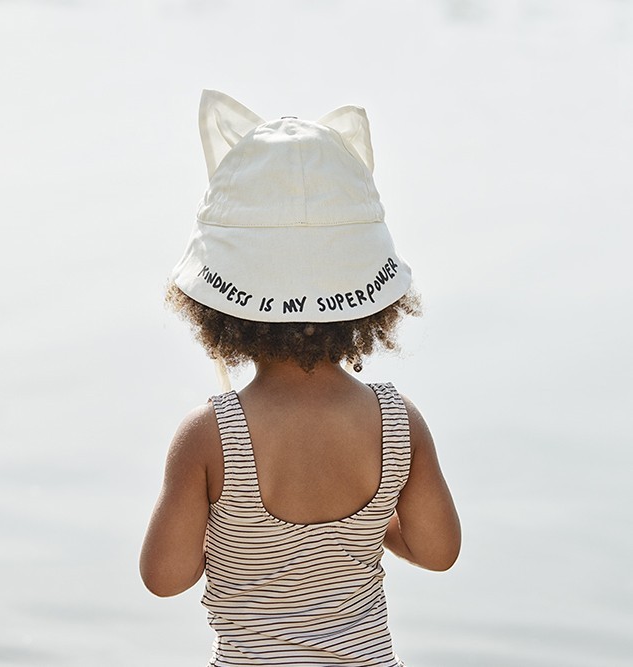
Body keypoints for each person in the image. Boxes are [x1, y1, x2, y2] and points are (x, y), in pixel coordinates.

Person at [140, 90, 461, 666]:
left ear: (219, 311)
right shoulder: (398, 423)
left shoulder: (209, 436)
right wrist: (366, 528)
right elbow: (438, 552)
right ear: (368, 305)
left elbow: (165, 578)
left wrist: (231, 530)